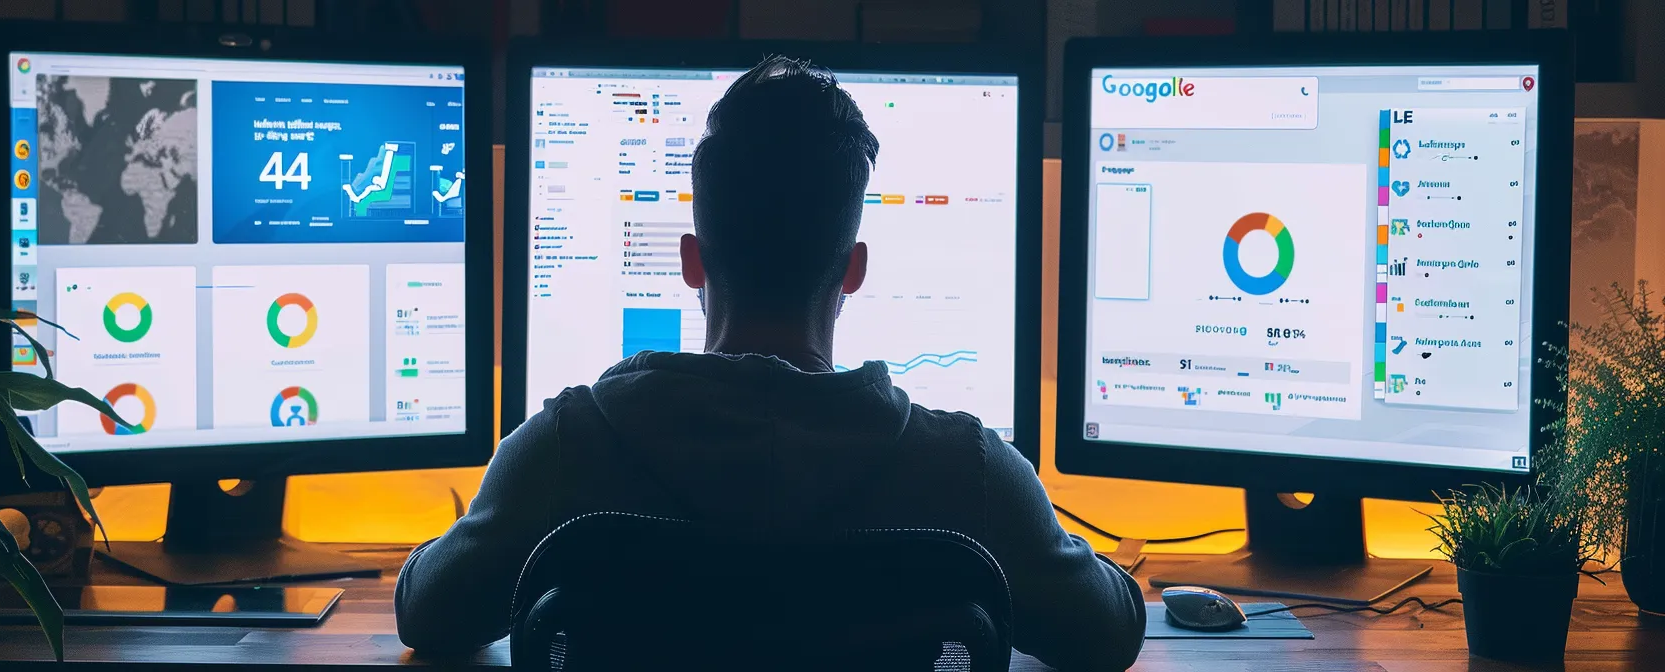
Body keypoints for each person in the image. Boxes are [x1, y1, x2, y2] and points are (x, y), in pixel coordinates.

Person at [395, 56, 1146, 671]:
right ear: (852, 268)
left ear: (692, 260)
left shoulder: (566, 449)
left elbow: (426, 615)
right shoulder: (969, 474)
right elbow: (1109, 635)